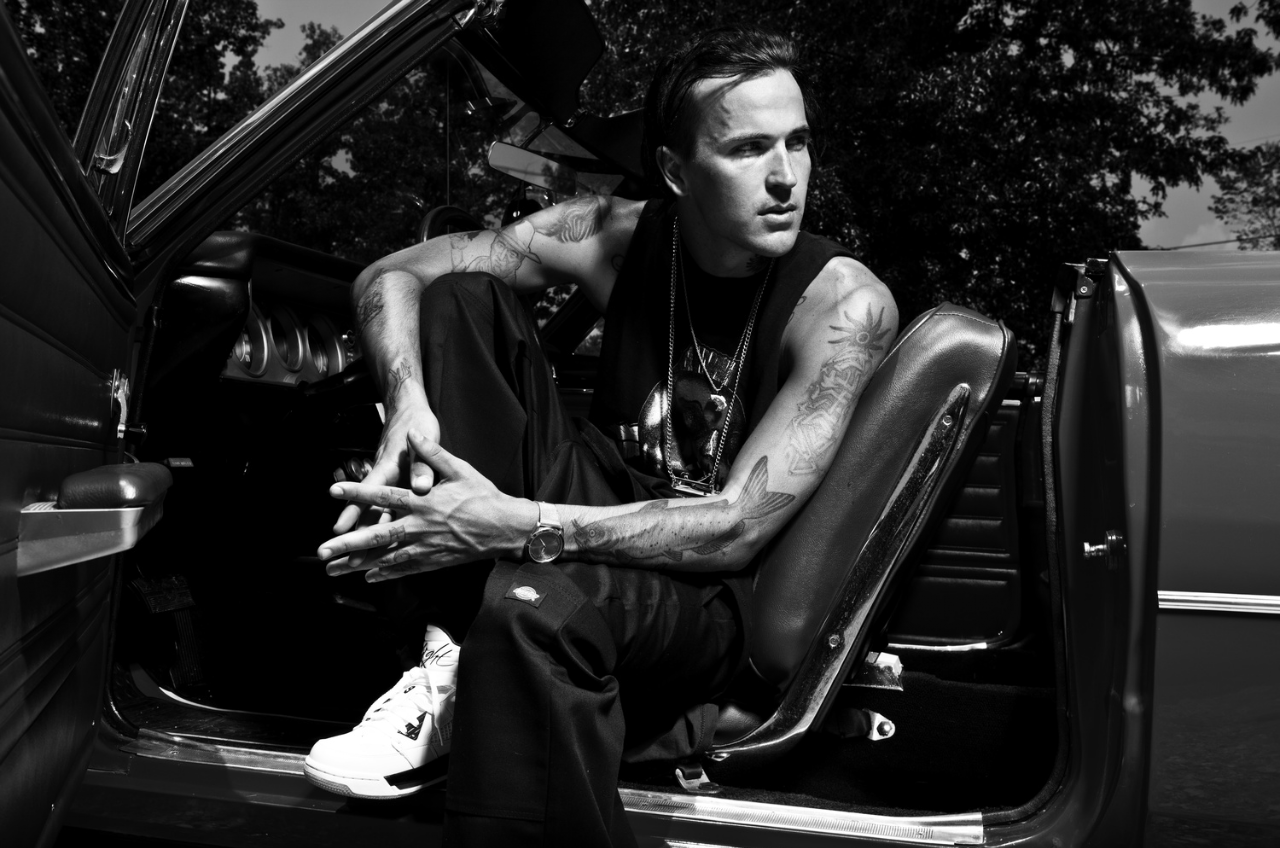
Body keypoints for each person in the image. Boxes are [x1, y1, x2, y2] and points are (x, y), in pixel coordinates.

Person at [305, 25, 897, 847]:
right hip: (600, 492)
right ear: (675, 172)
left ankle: (472, 653)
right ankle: (450, 661)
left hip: (708, 590)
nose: (785, 177)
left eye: (797, 143)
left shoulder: (842, 307)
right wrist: (408, 404)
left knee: (535, 607)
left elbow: (734, 528)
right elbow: (391, 274)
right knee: (460, 298)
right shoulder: (615, 235)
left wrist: (516, 525)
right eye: (748, 149)